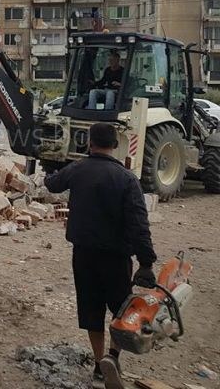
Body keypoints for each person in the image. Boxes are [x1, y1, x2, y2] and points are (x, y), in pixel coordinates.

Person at [44, 123, 157, 389]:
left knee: (91, 309)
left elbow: (53, 184)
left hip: (83, 254)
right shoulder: (127, 179)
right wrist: (146, 262)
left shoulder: (77, 169)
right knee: (120, 309)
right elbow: (139, 223)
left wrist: (48, 167)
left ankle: (98, 364)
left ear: (89, 143)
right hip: (116, 258)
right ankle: (113, 357)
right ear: (115, 145)